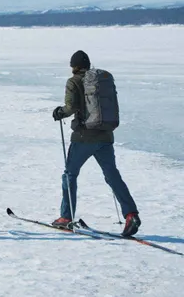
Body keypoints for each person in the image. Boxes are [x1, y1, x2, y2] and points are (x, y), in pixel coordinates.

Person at [52, 50, 141, 236]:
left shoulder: (74, 81)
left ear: (73, 66)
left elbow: (71, 108)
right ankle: (131, 214)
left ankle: (66, 217)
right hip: (105, 137)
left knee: (70, 175)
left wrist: (59, 112)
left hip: (84, 137)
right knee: (112, 175)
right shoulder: (101, 81)